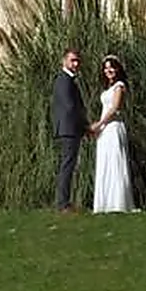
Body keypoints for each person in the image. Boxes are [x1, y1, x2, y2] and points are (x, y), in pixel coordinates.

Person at [91, 54, 135, 213]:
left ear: (117, 69)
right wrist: (100, 127)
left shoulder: (119, 86)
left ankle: (118, 202)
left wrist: (99, 124)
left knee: (115, 162)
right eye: (106, 68)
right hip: (105, 129)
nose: (108, 70)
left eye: (111, 67)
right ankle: (105, 203)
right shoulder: (108, 88)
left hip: (113, 127)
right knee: (105, 161)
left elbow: (115, 108)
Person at [50, 47, 87, 212]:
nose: (76, 64)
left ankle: (65, 202)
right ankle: (63, 204)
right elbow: (70, 106)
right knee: (67, 165)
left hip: (69, 128)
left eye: (77, 60)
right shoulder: (64, 80)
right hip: (68, 129)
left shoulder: (68, 79)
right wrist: (85, 126)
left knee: (68, 165)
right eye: (72, 60)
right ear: (64, 61)